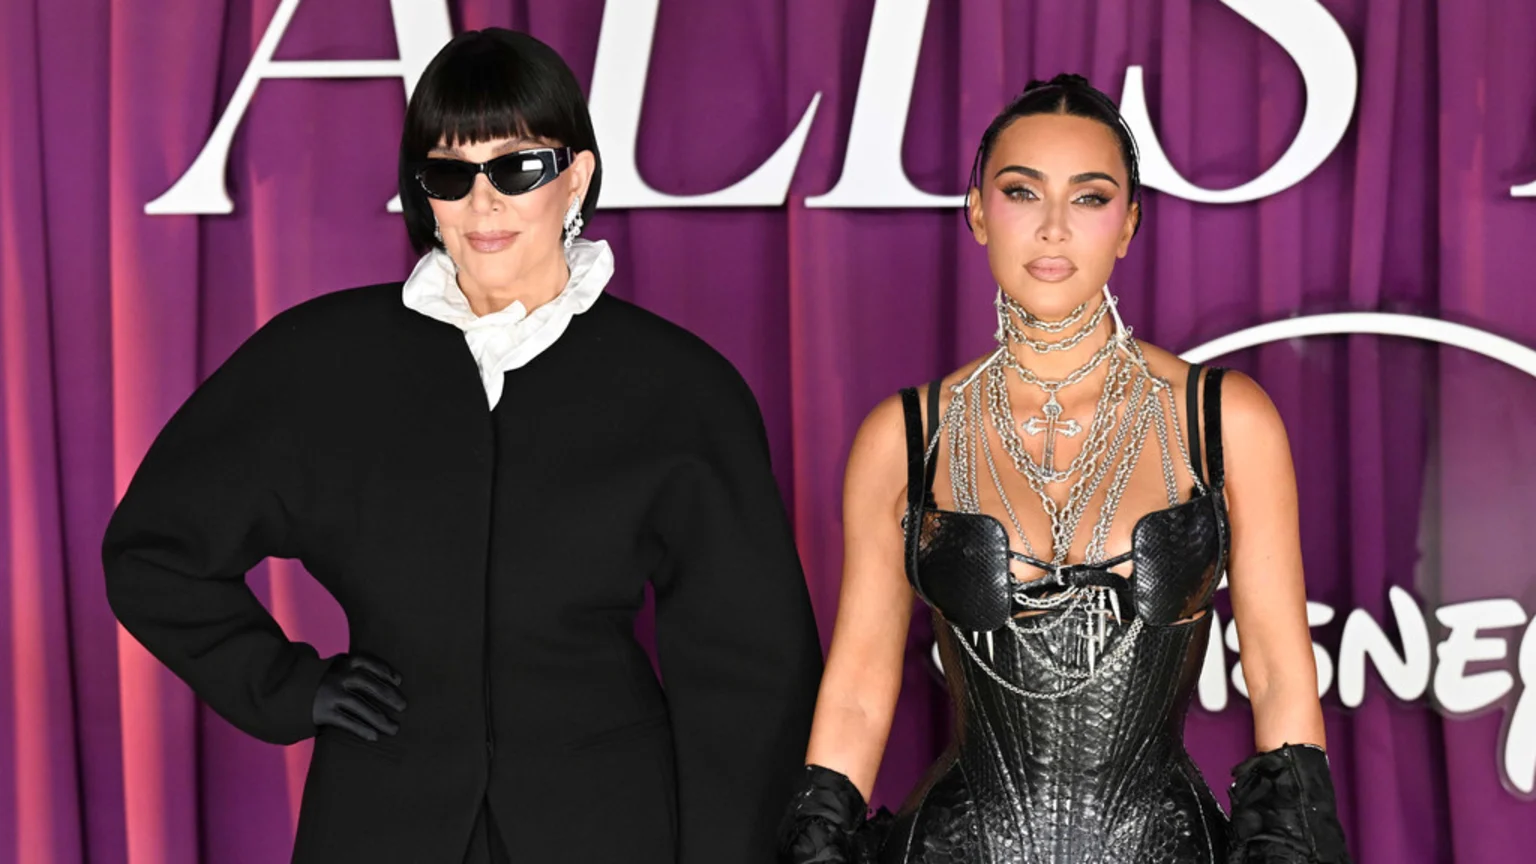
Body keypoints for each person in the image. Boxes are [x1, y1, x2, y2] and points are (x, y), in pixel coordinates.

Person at [103, 28, 822, 864]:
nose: (484, 204)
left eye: (517, 169)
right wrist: (287, 687)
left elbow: (750, 669)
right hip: (378, 817)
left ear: (576, 175)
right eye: (451, 172)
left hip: (610, 820)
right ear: (424, 192)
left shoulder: (679, 387)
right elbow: (155, 551)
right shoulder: (322, 362)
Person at [776, 75, 1351, 863]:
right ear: (978, 211)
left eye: (1089, 198)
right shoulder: (904, 436)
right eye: (1021, 192)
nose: (1053, 229)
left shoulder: (1225, 419)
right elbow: (857, 688)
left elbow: (1284, 677)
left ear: (1128, 224)